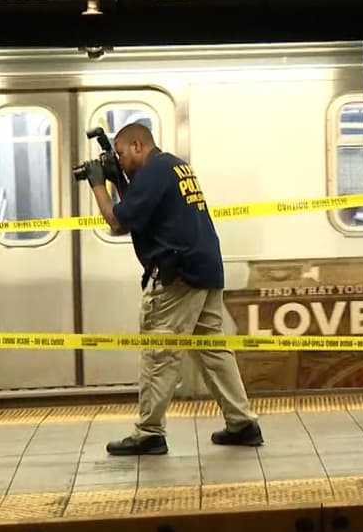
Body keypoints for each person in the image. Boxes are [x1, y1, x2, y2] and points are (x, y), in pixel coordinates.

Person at [82, 123, 263, 455]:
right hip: (204, 270)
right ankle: (242, 422)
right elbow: (141, 212)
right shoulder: (174, 166)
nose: (119, 161)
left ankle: (149, 432)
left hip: (176, 275)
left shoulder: (154, 171)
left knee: (158, 353)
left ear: (137, 145)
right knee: (213, 351)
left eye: (120, 154)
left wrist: (98, 184)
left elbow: (119, 222)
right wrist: (118, 179)